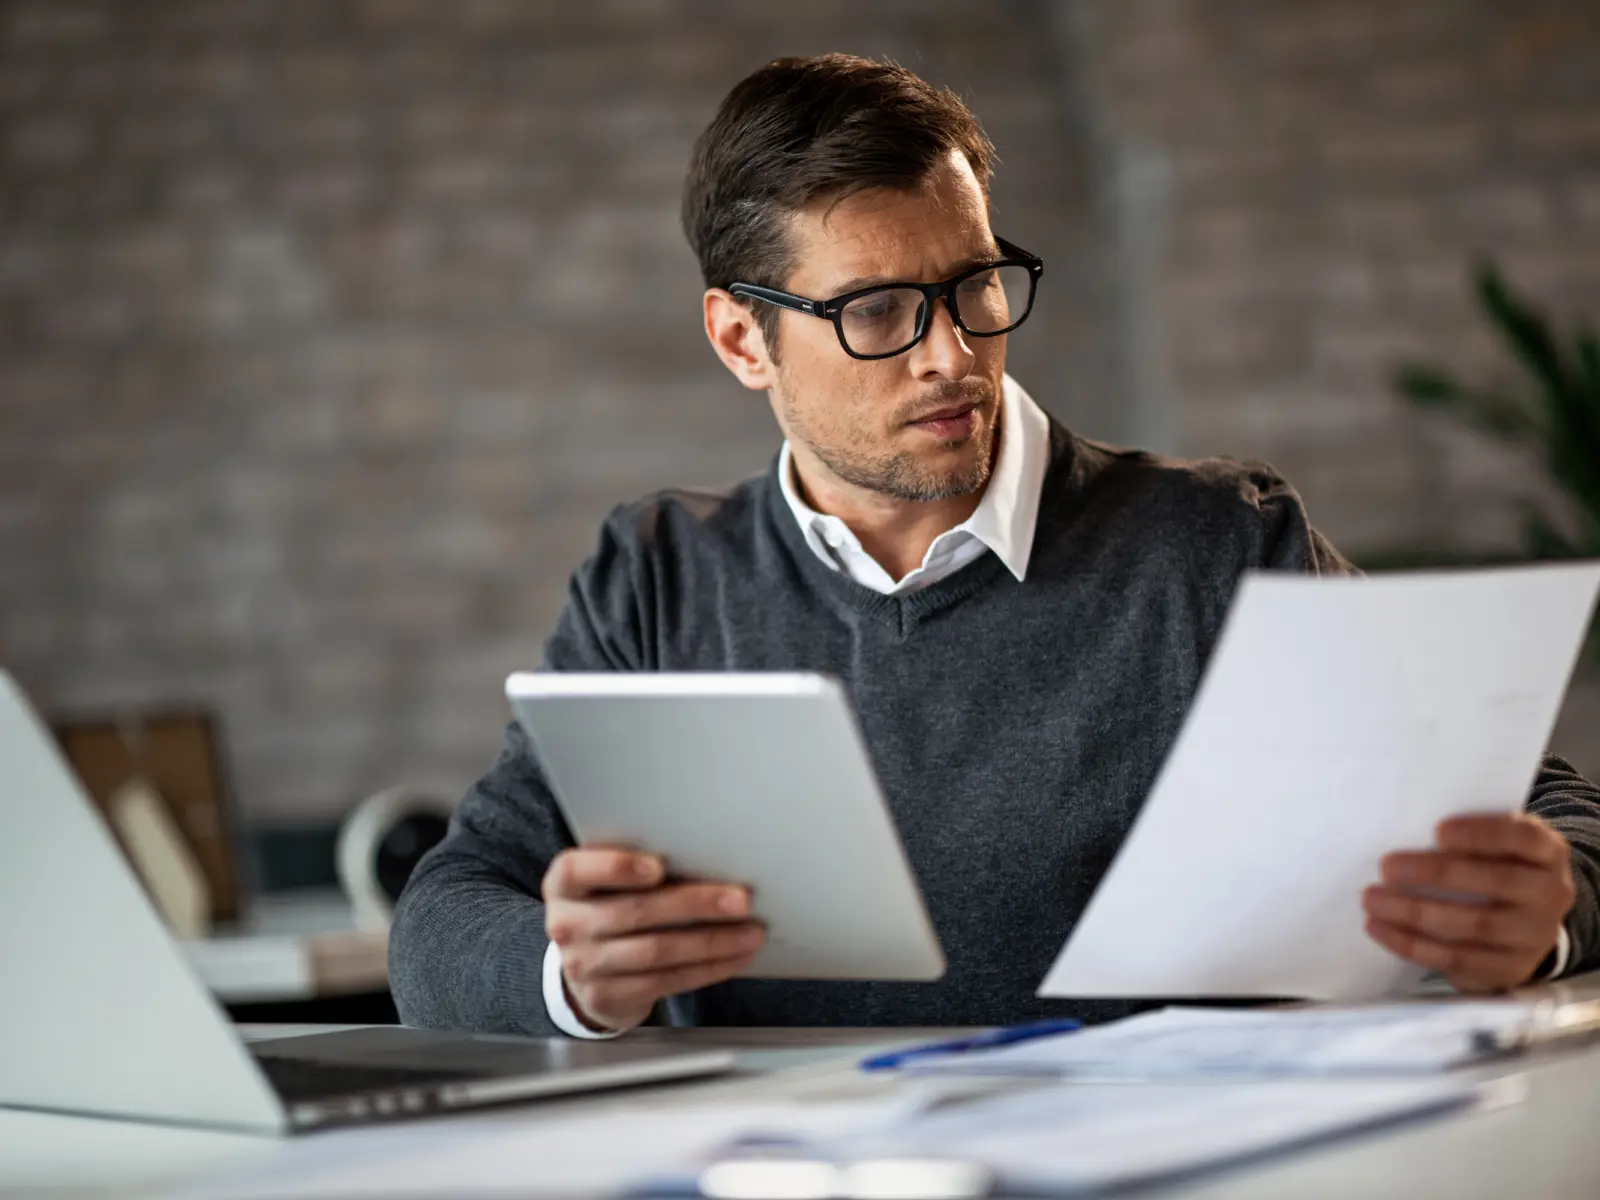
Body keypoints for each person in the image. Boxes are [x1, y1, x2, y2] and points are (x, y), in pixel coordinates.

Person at [389, 54, 1600, 1038]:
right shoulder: (655, 576)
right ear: (742, 342)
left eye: (973, 285)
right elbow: (445, 916)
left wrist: (1546, 911)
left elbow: (1556, 813)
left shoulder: (1213, 545)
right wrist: (572, 973)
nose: (950, 356)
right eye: (875, 312)